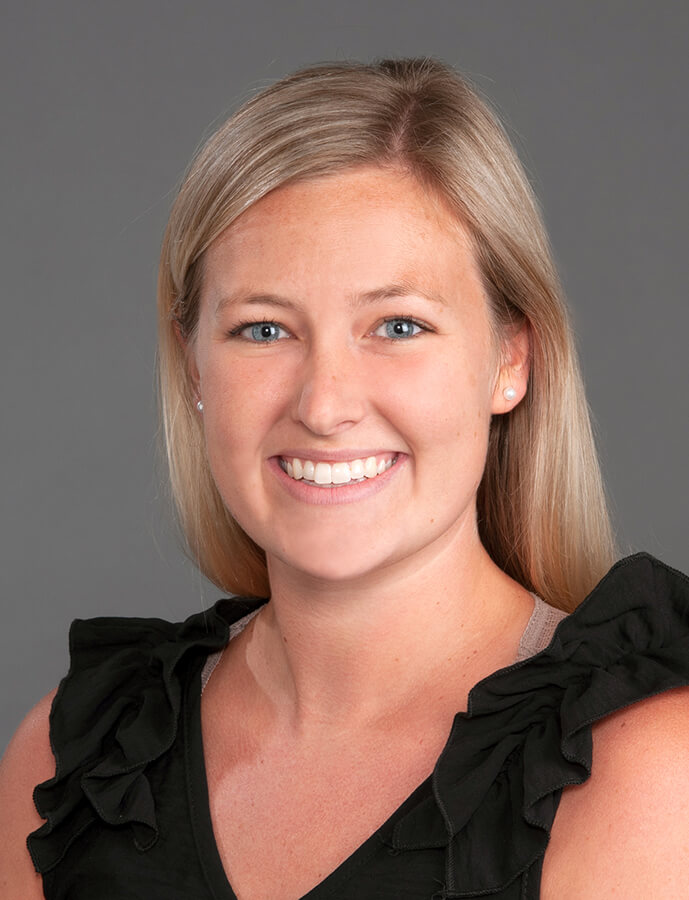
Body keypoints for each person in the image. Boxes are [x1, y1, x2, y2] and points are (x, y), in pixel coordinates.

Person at [1, 57, 688, 900]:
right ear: (192, 368)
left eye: (397, 325)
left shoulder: (644, 773)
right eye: (262, 330)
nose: (324, 405)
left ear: (511, 358)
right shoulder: (68, 759)